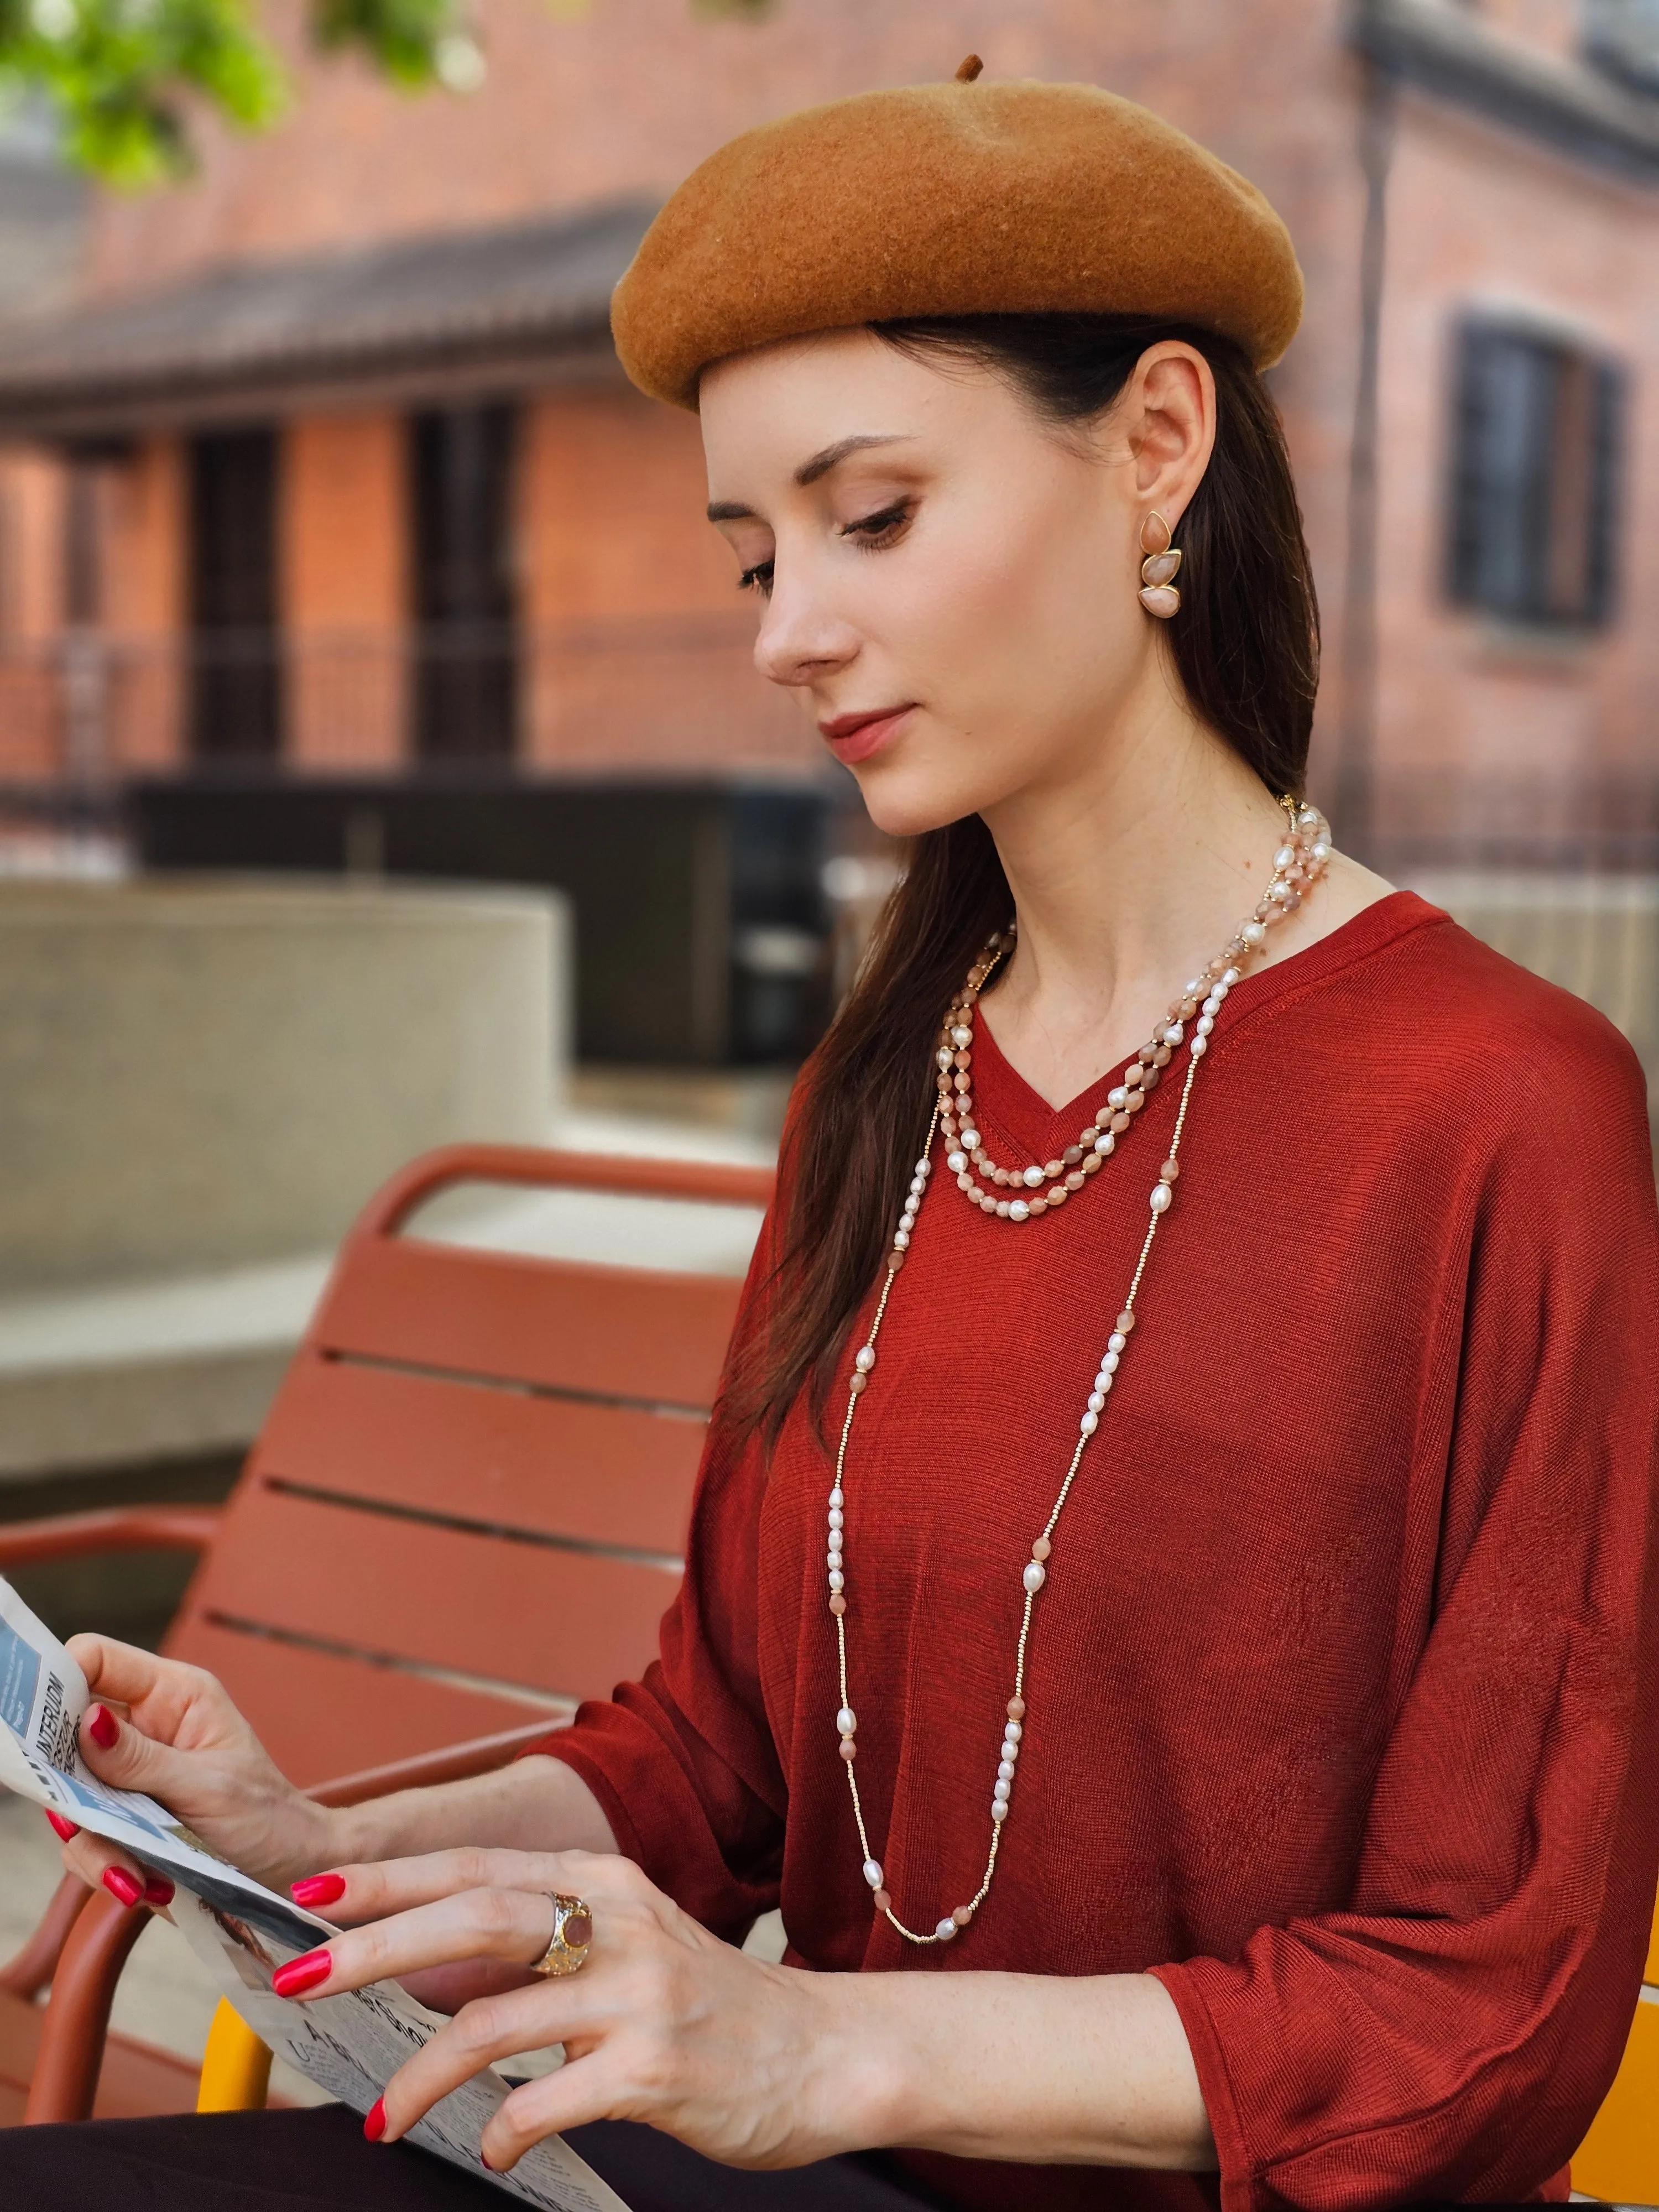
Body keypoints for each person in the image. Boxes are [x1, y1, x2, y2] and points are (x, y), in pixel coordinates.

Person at [8, 64, 1658, 2212]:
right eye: (752, 552)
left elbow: (1488, 2011)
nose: (788, 630)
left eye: (871, 516)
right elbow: (720, 1761)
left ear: (1159, 447)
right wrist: (323, 1845)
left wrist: (828, 2044)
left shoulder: (1505, 1110)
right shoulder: (893, 1077)